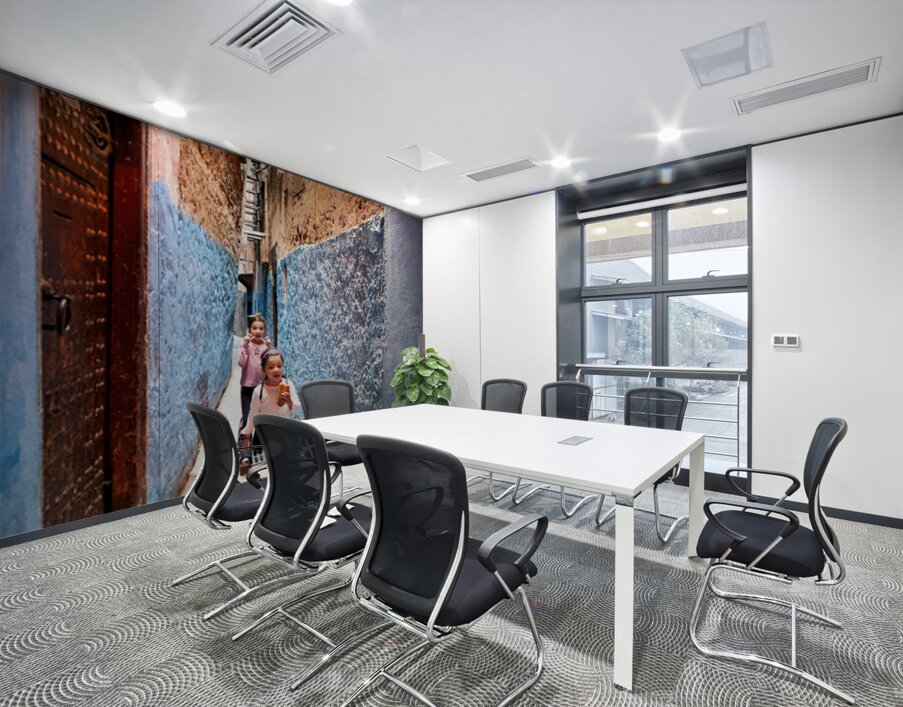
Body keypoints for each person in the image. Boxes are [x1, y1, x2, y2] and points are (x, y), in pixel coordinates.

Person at [240, 349, 300, 472]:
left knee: (288, 464)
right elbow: (253, 415)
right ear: (264, 370)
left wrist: (289, 401)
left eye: (279, 366)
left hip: (285, 432)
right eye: (271, 367)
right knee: (270, 466)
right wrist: (247, 434)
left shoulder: (288, 384)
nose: (276, 370)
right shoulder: (259, 391)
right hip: (265, 435)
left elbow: (296, 408)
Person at [237, 314, 271, 441]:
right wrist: (245, 346)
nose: (257, 331)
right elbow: (242, 363)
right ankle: (244, 451)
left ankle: (257, 447)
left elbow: (269, 366)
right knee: (247, 417)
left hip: (262, 388)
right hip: (247, 387)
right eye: (254, 328)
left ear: (264, 331)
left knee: (261, 417)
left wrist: (269, 348)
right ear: (249, 330)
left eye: (261, 328)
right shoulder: (246, 346)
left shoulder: (265, 347)